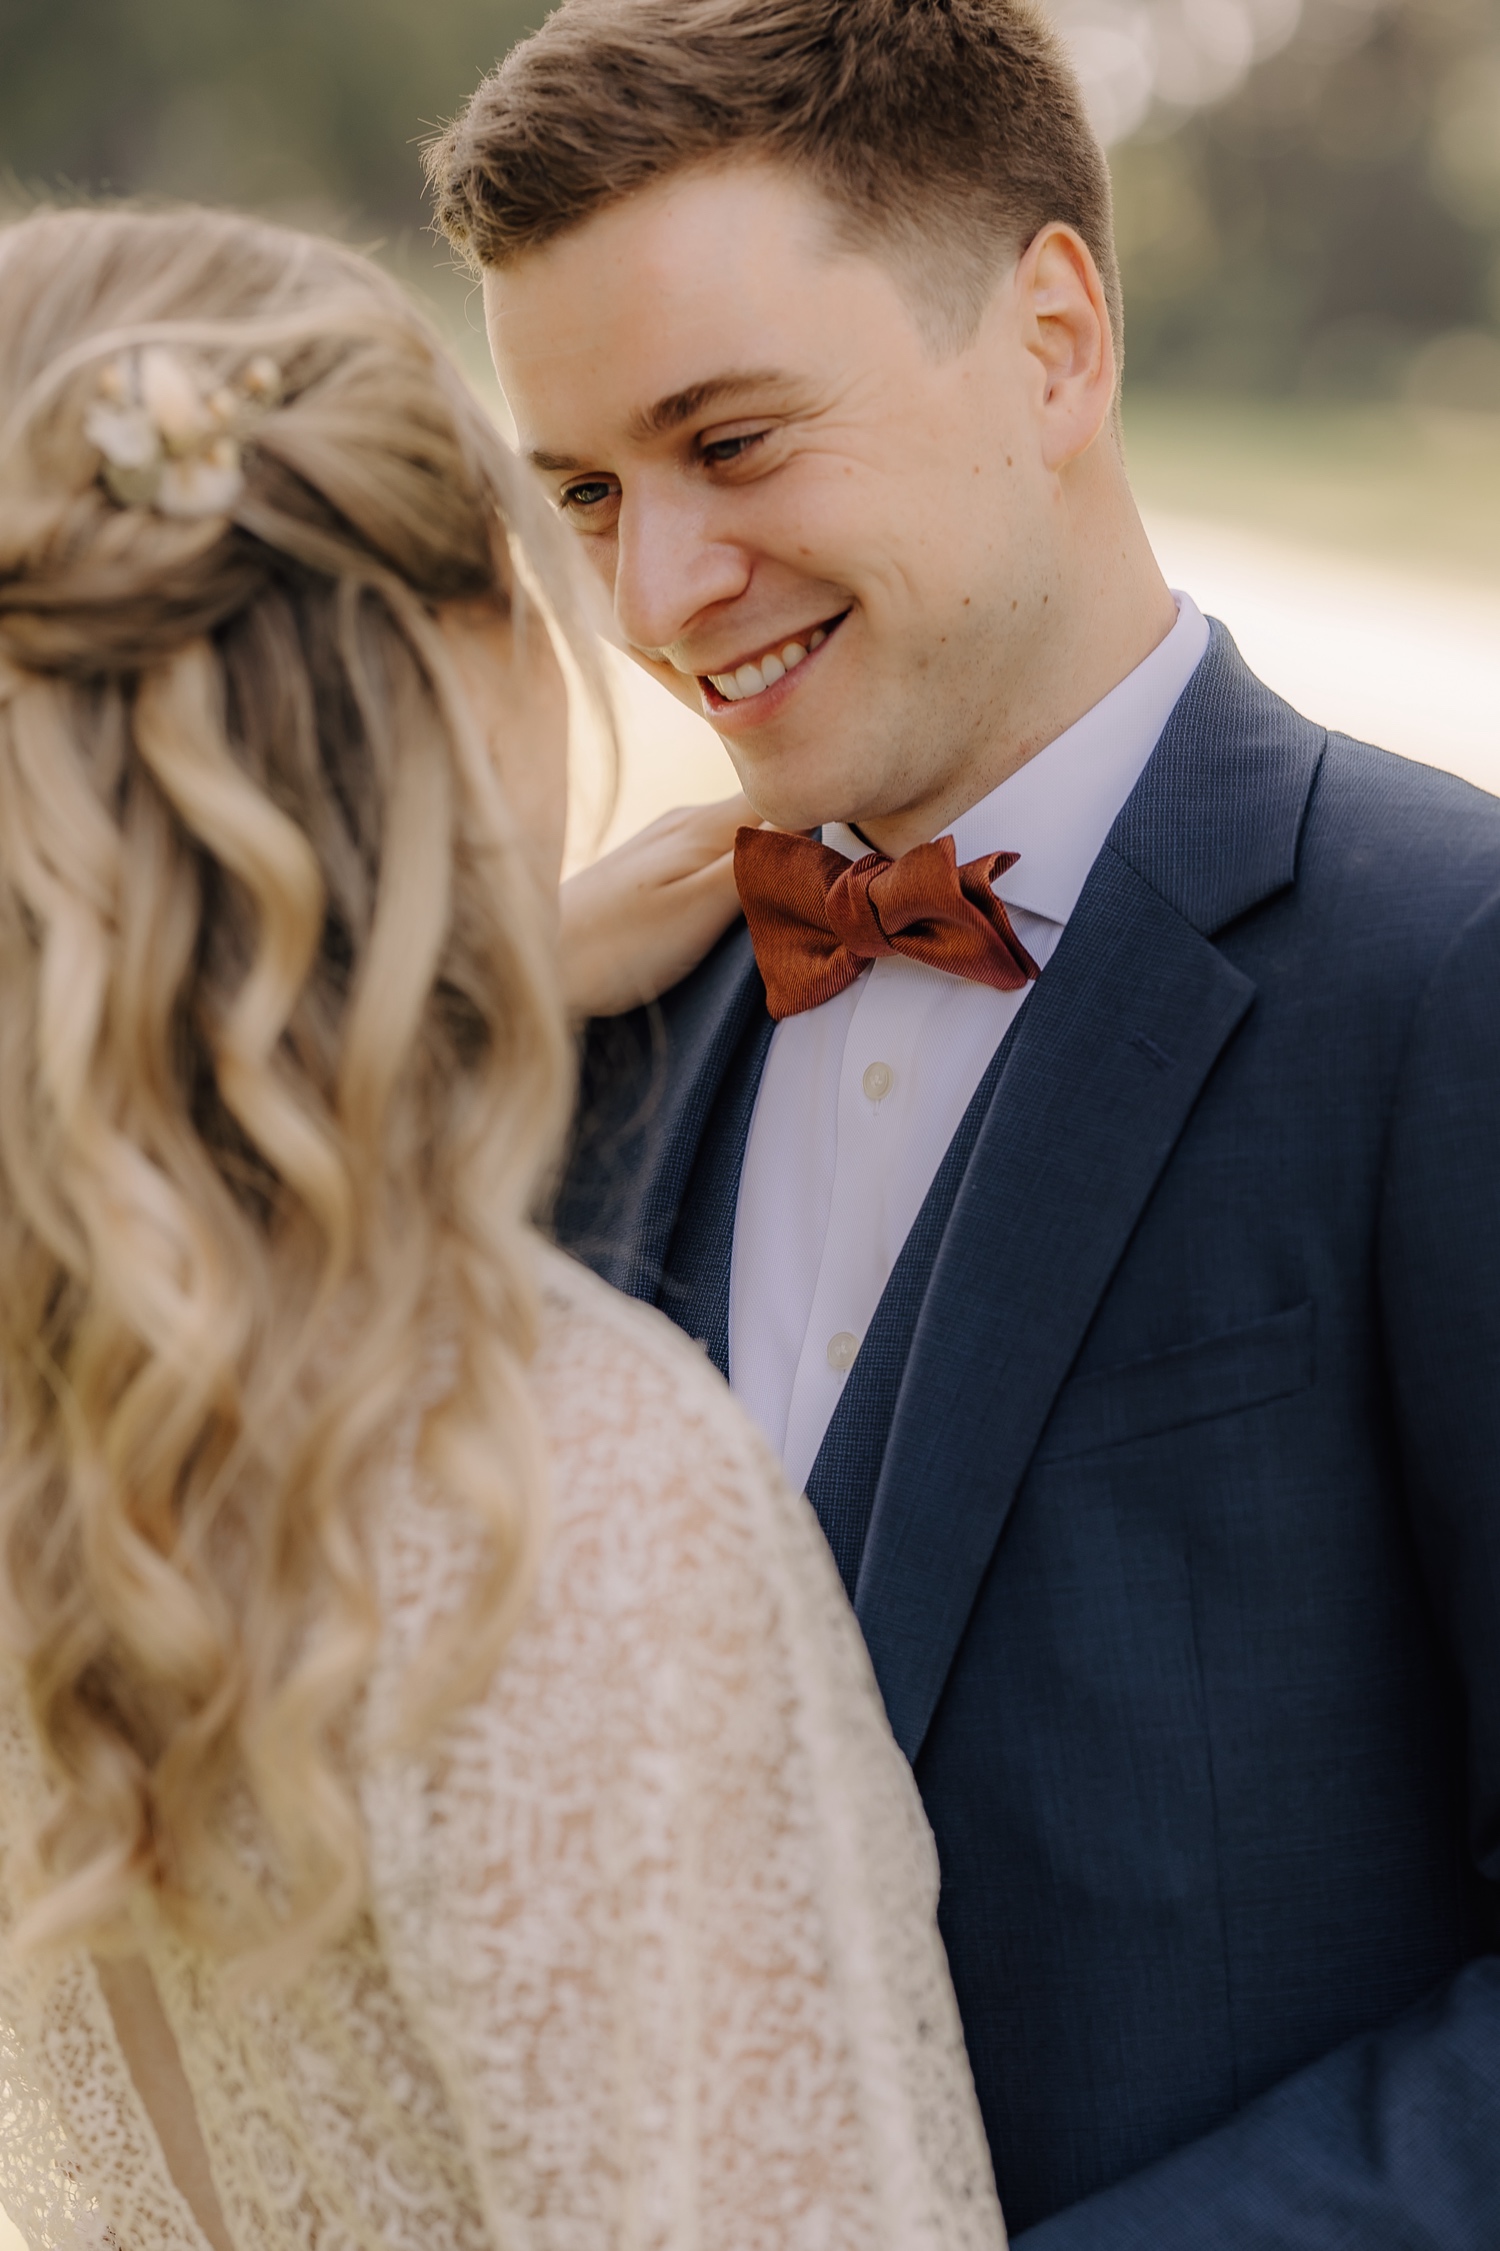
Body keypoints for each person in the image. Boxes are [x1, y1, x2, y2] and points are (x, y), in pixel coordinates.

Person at [428, 1, 1500, 2242]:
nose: (653, 596)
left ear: (1052, 342)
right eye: (594, 493)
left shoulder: (1446, 969)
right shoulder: (592, 1029)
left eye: (733, 440)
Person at [0, 204, 1004, 2251]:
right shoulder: (562, 1494)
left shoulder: (70, 1401)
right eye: (566, 515)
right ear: (464, 665)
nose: (650, 595)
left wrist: (460, 994)